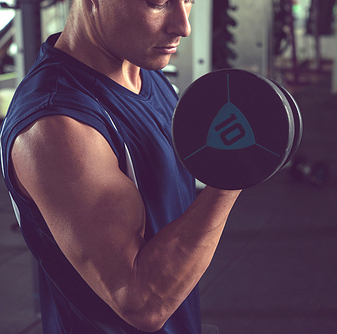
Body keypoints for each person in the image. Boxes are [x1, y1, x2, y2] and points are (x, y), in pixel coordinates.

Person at [0, 0, 241, 333]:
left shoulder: (144, 75)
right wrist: (234, 172)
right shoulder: (57, 124)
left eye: (188, 1)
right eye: (158, 3)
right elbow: (141, 301)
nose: (182, 26)